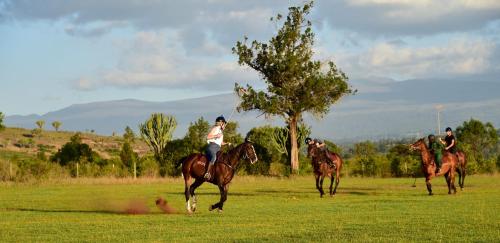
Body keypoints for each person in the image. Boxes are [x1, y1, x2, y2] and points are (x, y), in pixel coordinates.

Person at [204, 115, 229, 180]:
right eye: (224, 123)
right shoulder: (216, 128)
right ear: (221, 123)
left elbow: (220, 143)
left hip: (218, 148)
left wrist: (227, 143)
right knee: (214, 157)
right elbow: (208, 137)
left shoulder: (221, 132)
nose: (225, 125)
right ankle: (207, 173)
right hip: (212, 147)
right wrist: (216, 135)